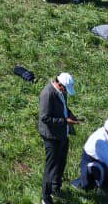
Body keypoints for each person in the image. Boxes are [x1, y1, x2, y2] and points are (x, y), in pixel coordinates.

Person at [37, 72, 79, 204]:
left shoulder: (62, 92)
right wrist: (65, 121)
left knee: (61, 162)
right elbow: (45, 118)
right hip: (51, 136)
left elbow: (64, 107)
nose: (66, 92)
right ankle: (46, 198)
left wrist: (70, 115)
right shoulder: (47, 94)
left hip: (62, 134)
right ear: (60, 85)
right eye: (65, 89)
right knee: (51, 167)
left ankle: (56, 187)